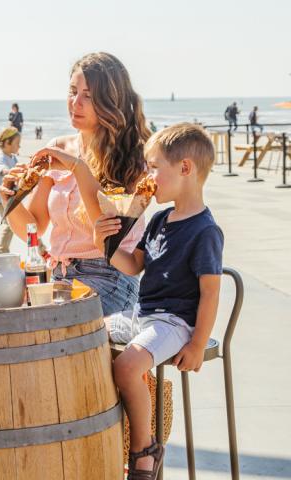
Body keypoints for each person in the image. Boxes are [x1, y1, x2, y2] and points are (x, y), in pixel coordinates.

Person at [94, 123, 223, 480]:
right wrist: (106, 245)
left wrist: (197, 344)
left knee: (125, 367)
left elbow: (211, 292)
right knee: (85, 335)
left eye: (153, 167)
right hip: (142, 314)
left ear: (185, 168)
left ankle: (143, 447)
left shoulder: (205, 231)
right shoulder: (159, 219)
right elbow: (134, 266)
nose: (146, 176)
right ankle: (101, 437)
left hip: (175, 322)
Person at [0, 52, 150, 316]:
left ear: (110, 100)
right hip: (57, 276)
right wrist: (9, 200)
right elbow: (34, 228)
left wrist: (78, 168)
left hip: (110, 277)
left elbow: (109, 234)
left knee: (51, 323)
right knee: (2, 315)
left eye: (88, 96)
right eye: (72, 92)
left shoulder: (134, 156)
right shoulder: (57, 147)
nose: (75, 103)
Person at [0, 127, 20, 253]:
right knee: (10, 224)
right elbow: (3, 170)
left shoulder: (13, 158)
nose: (19, 147)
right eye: (17, 144)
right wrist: (14, 172)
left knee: (22, 223)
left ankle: (41, 248)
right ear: (7, 143)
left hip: (10, 198)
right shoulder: (0, 158)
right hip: (0, 199)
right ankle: (2, 251)